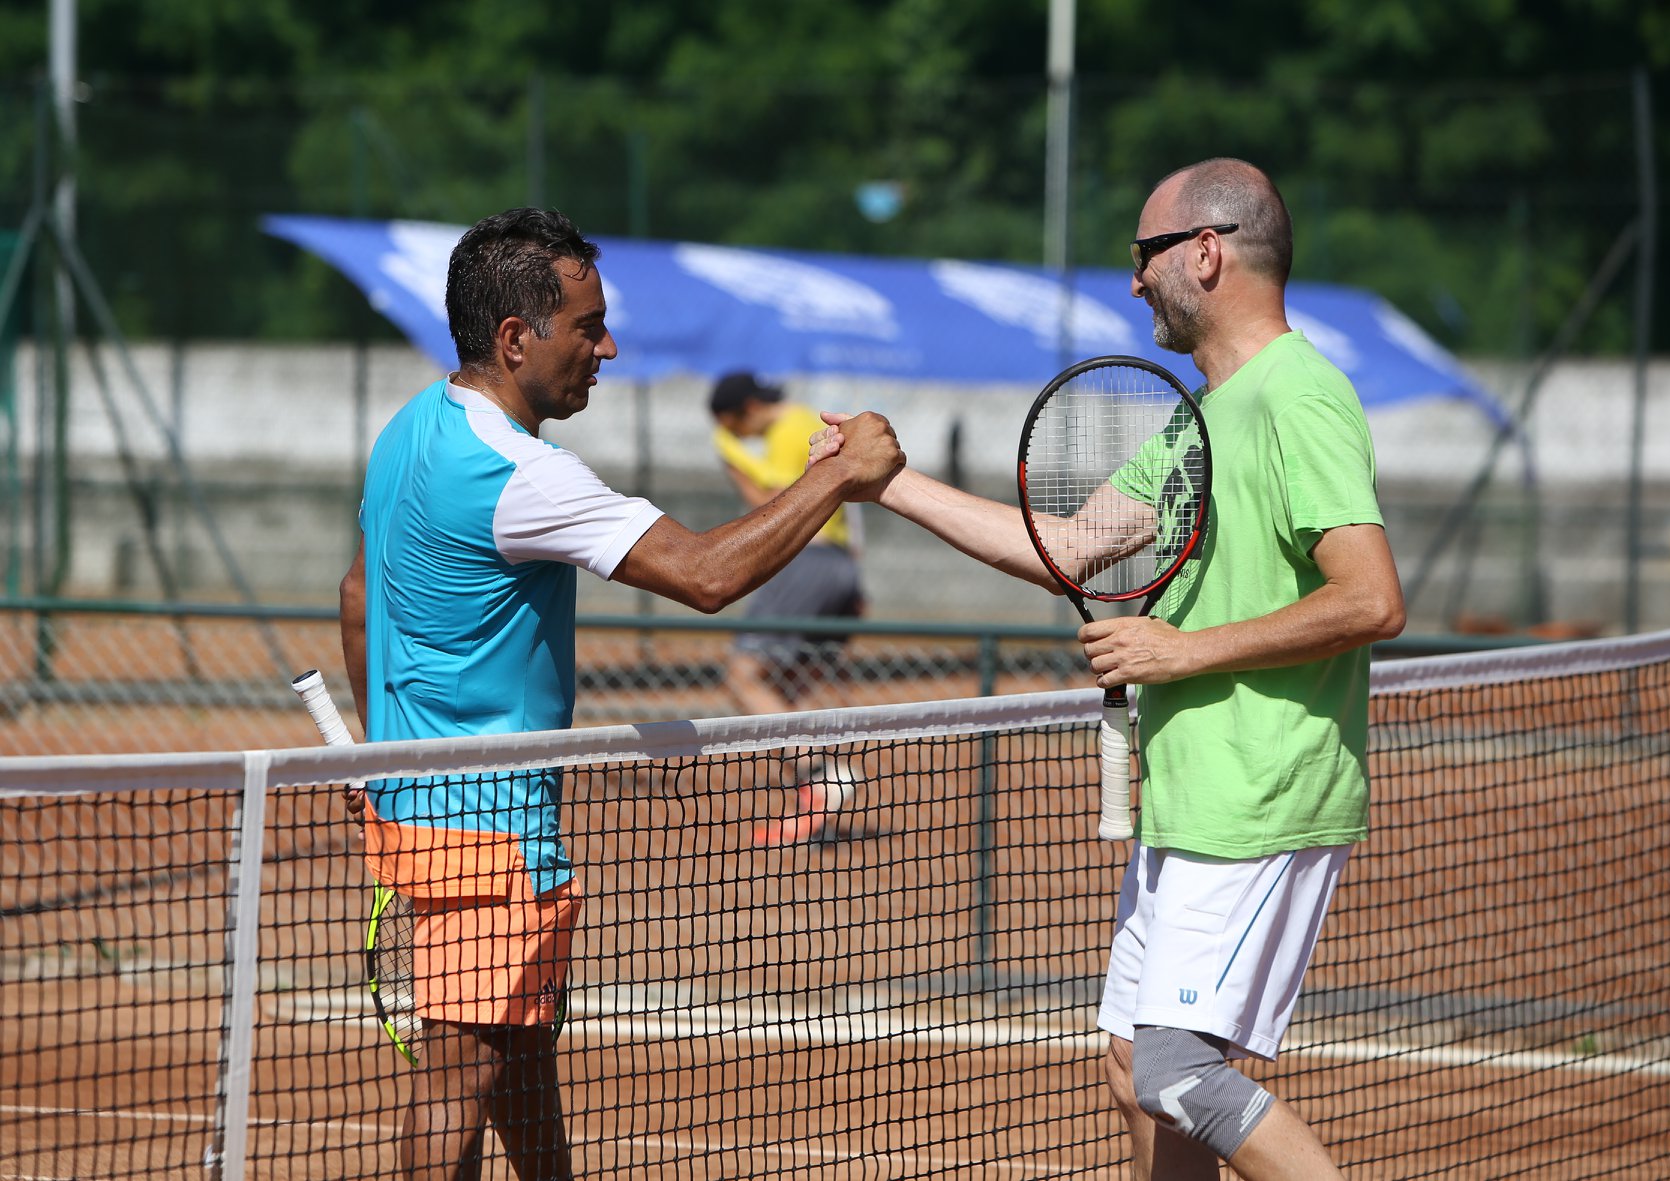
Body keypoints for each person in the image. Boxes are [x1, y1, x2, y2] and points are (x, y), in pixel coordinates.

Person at [814, 158, 1405, 1179]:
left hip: (1256, 788)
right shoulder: (1204, 413)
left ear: (1206, 251)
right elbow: (1072, 544)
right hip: (1187, 789)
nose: (1132, 281)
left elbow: (1369, 598)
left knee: (1176, 1069)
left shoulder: (1297, 395)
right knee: (1137, 1066)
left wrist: (1178, 650)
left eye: (1145, 255)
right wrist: (889, 483)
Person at [338, 207, 902, 1181]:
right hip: (488, 834)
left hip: (443, 816)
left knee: (517, 1064)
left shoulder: (411, 428)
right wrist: (836, 479)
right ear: (516, 338)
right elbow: (704, 574)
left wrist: (378, 750)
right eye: (587, 325)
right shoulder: (518, 474)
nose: (607, 345)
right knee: (453, 1087)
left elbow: (358, 597)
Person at [707, 371, 865, 717]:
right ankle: (831, 769)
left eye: (733, 428)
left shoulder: (786, 430)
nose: (736, 436)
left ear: (749, 408)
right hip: (840, 562)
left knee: (743, 677)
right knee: (797, 682)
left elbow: (773, 508)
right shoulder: (807, 420)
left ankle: (815, 767)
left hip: (809, 560)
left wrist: (732, 459)